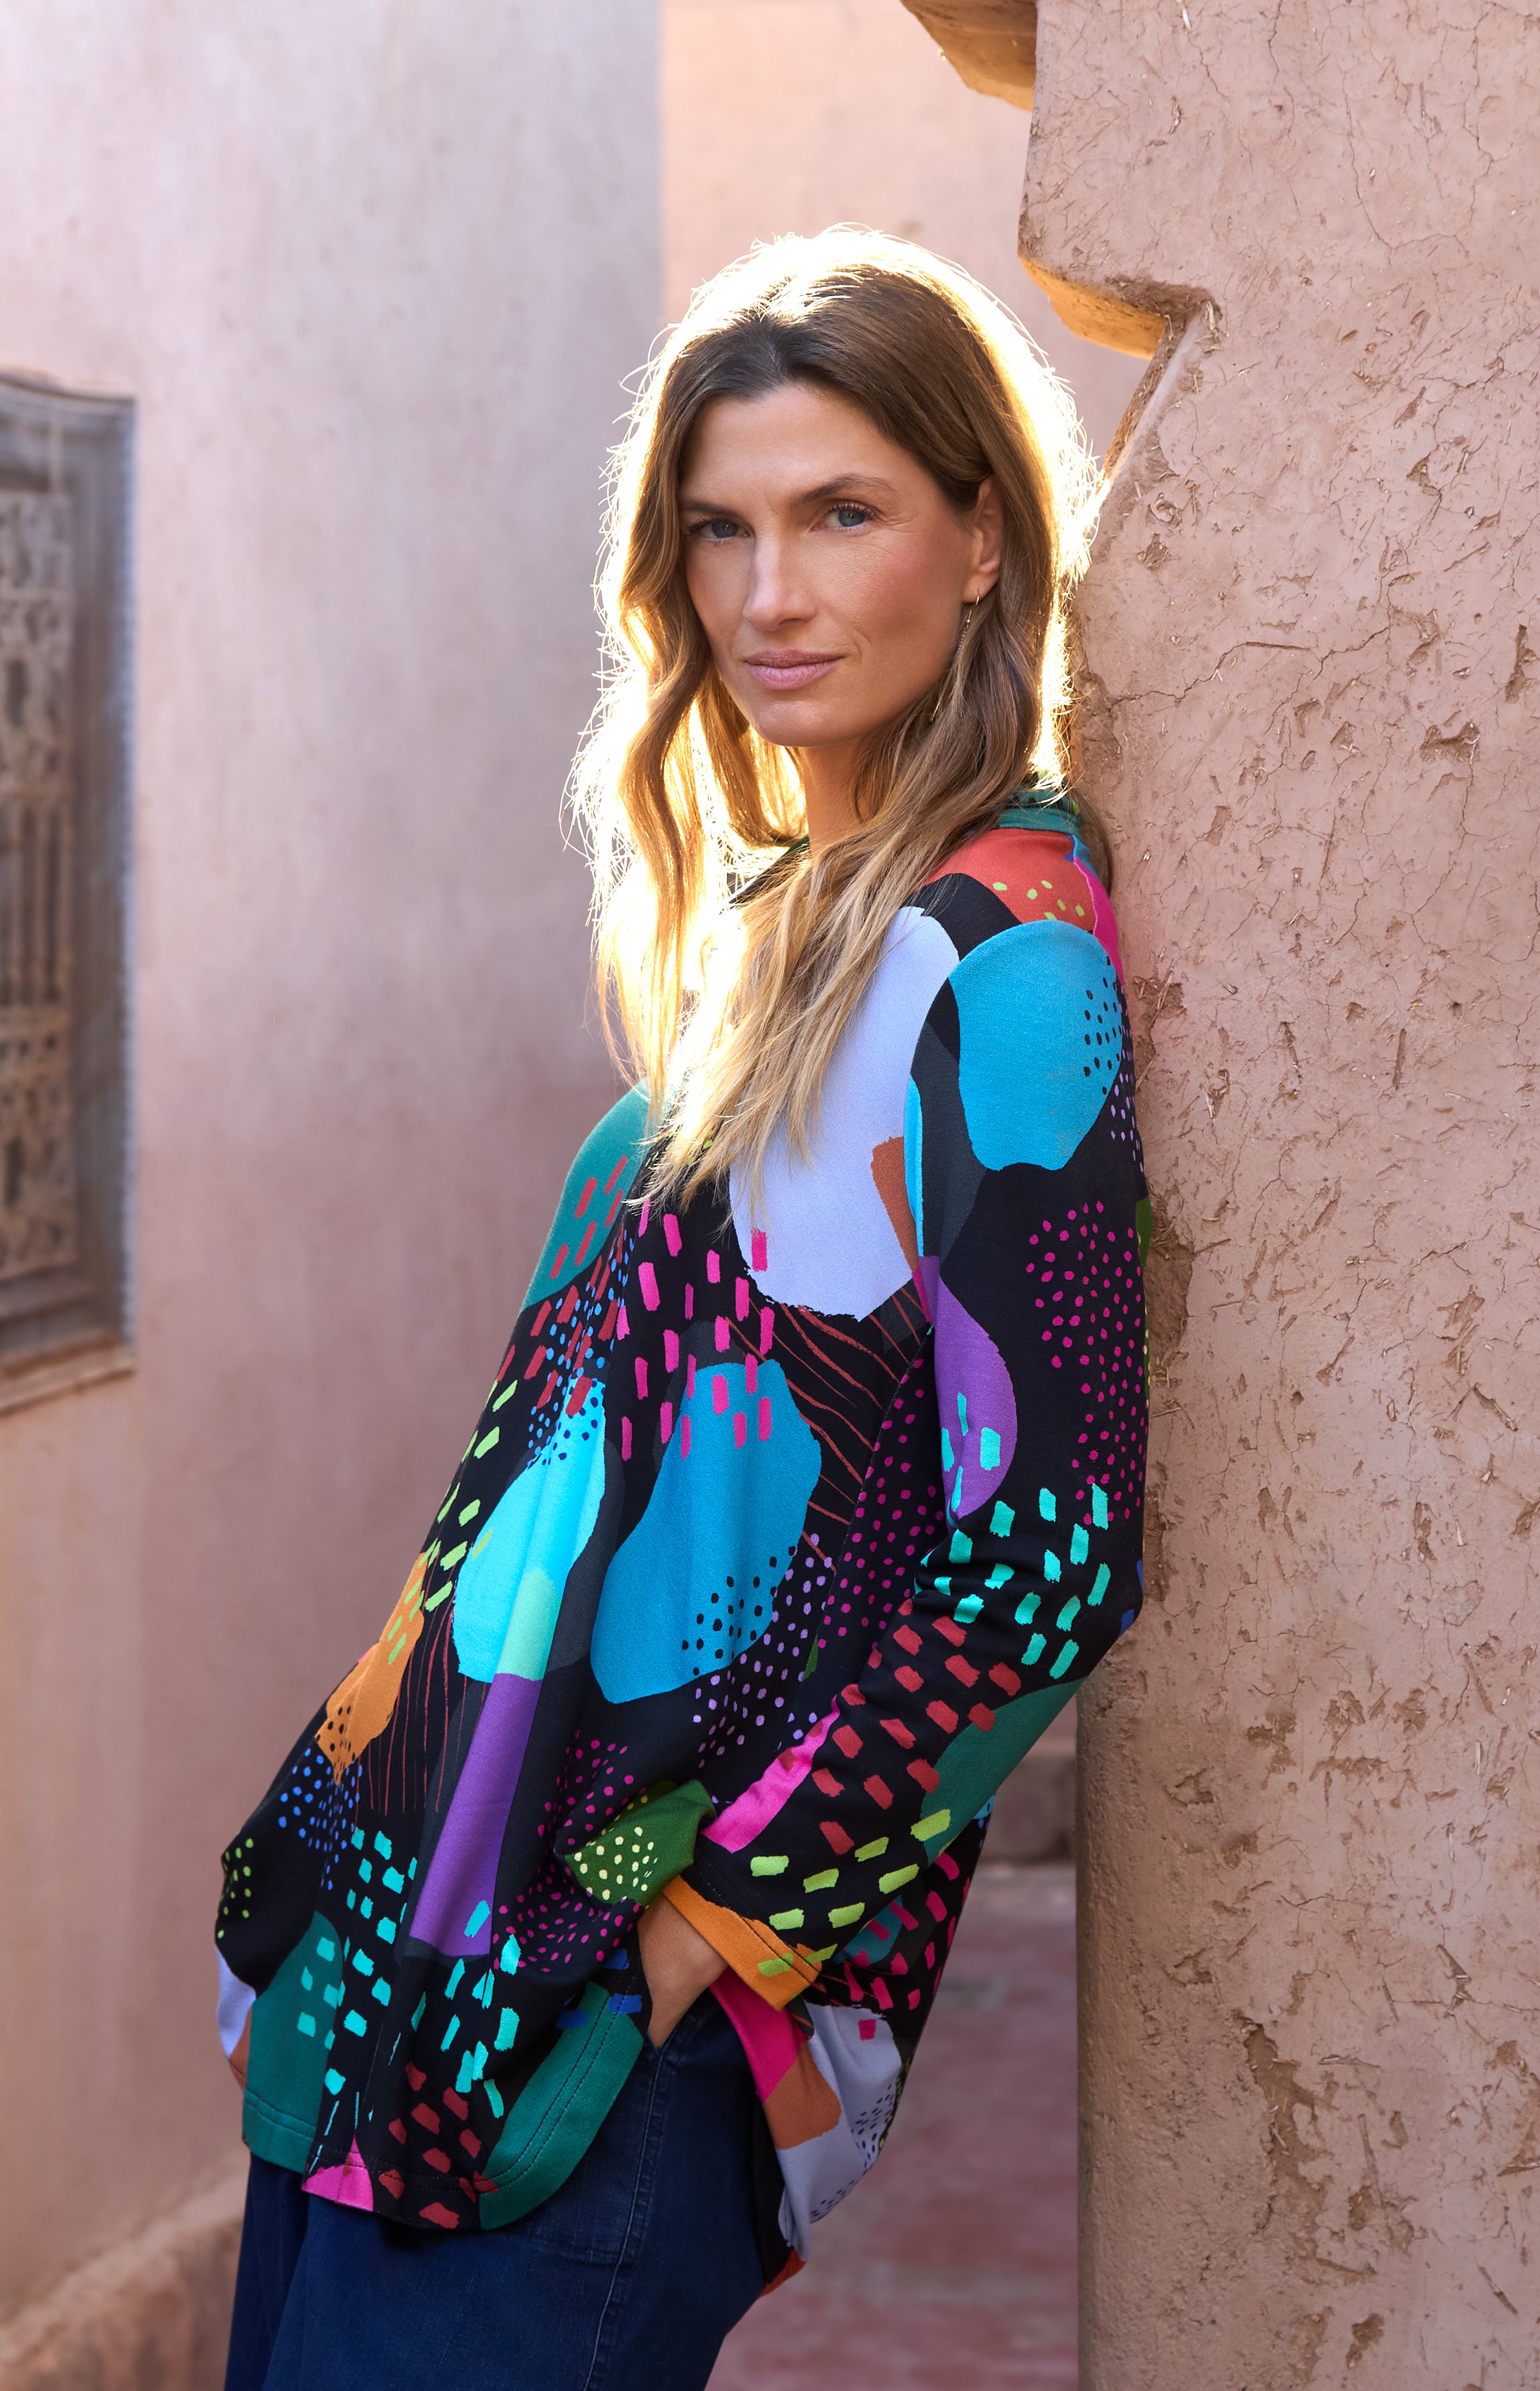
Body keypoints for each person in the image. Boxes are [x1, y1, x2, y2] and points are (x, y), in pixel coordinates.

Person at [216, 228, 1151, 2391]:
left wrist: (700, 1941)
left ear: (984, 539)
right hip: (418, 1976)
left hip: (600, 2033)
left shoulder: (1006, 962)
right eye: (722, 530)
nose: (769, 593)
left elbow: (1056, 1544)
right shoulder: (795, 934)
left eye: (843, 513)